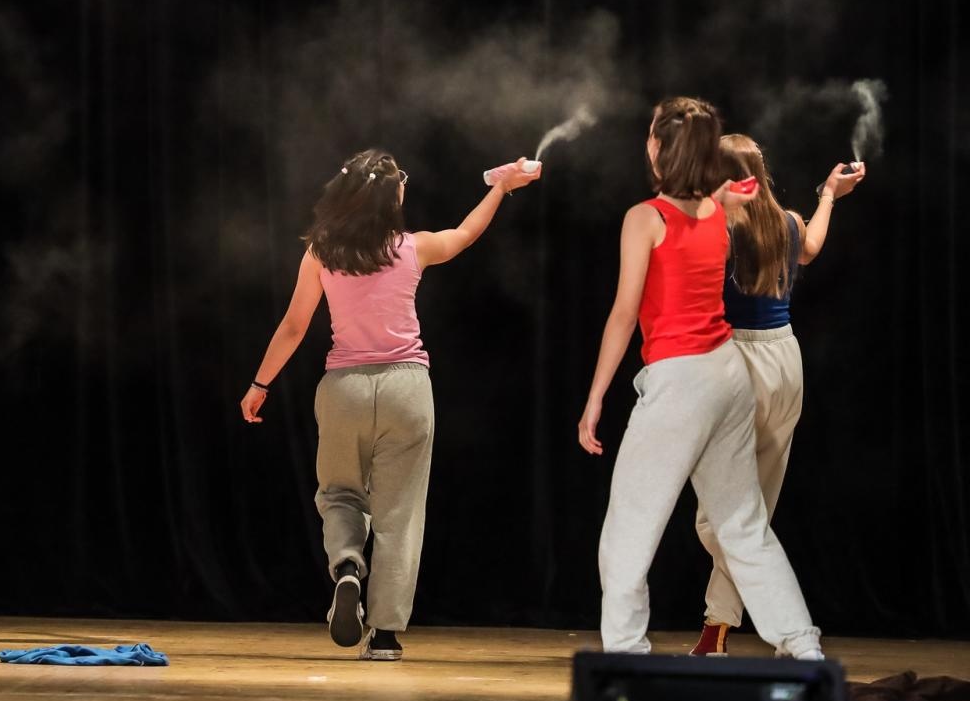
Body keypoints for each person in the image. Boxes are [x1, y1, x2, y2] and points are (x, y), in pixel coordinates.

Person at [239, 149, 540, 661]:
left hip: (344, 389)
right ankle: (384, 637)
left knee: (338, 495)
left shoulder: (321, 251)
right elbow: (465, 233)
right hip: (407, 390)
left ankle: (348, 567)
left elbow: (293, 327)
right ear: (391, 197)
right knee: (401, 514)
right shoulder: (412, 248)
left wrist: (259, 384)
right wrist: (501, 188)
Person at [576, 97, 823, 659]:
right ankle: (801, 645)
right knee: (745, 526)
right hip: (728, 376)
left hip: (681, 384)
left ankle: (626, 655)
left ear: (658, 150)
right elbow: (717, 200)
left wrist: (594, 402)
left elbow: (623, 314)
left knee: (628, 532)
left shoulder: (646, 218)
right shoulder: (720, 212)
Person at [690, 137, 864, 656]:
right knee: (754, 508)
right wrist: (830, 194)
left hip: (737, 366)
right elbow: (810, 248)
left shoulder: (721, 227)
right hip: (785, 363)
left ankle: (775, 615)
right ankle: (716, 631)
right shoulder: (786, 220)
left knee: (718, 517)